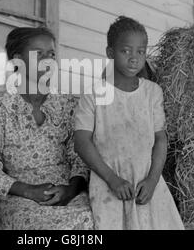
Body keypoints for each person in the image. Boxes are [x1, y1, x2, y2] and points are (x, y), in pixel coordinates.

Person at [0, 27, 94, 230]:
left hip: (68, 194)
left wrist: (70, 189)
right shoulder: (0, 108)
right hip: (23, 199)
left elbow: (79, 157)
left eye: (52, 54)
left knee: (94, 219)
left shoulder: (67, 105)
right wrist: (29, 191)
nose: (48, 61)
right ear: (17, 61)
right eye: (39, 54)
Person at [74, 16, 184, 230]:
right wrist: (112, 179)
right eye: (126, 51)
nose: (134, 58)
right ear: (110, 53)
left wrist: (153, 180)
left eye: (140, 51)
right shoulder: (93, 96)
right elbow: (82, 142)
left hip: (147, 183)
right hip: (109, 185)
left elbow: (160, 139)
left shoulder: (152, 92)